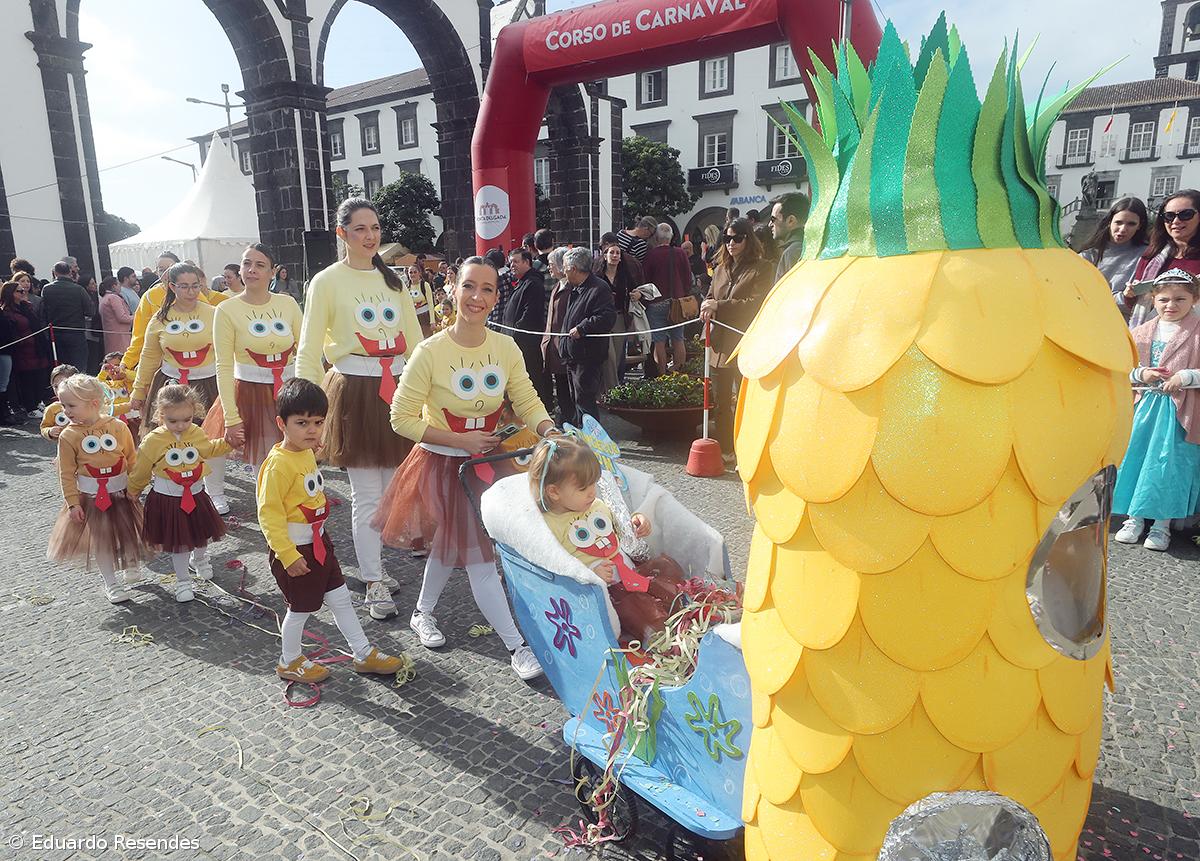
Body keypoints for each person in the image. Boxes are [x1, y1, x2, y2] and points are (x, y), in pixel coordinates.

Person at [372, 256, 554, 680]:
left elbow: (525, 399)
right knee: (480, 557)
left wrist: (548, 430)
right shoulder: (429, 351)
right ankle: (517, 645)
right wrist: (459, 441)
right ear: (452, 289)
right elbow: (401, 418)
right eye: (469, 286)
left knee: (452, 544)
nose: (477, 297)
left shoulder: (504, 347)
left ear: (496, 296)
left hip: (490, 463)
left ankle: (422, 612)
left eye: (488, 289)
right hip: (443, 466)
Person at [296, 197, 424, 621]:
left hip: (399, 389)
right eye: (360, 229)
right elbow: (309, 349)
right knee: (367, 495)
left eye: (374, 228)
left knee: (393, 490)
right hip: (356, 393)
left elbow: (416, 340)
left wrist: (428, 390)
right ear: (342, 233)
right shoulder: (326, 282)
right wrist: (308, 410)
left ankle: (380, 567)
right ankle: (372, 580)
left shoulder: (394, 281)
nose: (370, 236)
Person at [257, 378, 408, 683]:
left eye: (317, 422)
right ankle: (289, 660)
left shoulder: (304, 452)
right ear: (281, 423)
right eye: (301, 423)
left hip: (319, 546)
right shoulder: (277, 465)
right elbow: (268, 514)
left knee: (340, 599)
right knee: (299, 610)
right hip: (296, 550)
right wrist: (287, 555)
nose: (311, 430)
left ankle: (363, 653)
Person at [129, 262, 229, 514]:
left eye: (195, 285)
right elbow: (149, 357)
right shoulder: (160, 318)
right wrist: (138, 392)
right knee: (171, 440)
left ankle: (215, 491)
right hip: (170, 385)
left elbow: (228, 352)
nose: (191, 291)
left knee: (210, 438)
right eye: (184, 286)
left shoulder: (214, 313)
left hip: (208, 383)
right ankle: (175, 489)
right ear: (171, 287)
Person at [1113, 269, 1200, 552]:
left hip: (1179, 412)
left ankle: (1162, 525)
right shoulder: (1140, 333)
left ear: (1194, 299)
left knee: (1169, 464)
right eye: (1163, 299)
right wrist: (1141, 374)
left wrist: (1186, 377)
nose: (1170, 305)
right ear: (1153, 300)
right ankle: (1133, 518)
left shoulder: (1197, 332)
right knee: (1137, 458)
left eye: (1179, 299)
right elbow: (1120, 369)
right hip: (1146, 408)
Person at [46, 374, 150, 604]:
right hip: (91, 498)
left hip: (122, 494)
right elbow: (65, 472)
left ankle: (131, 564)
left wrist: (136, 486)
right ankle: (111, 583)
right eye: (63, 405)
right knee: (102, 541)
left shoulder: (118, 427)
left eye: (71, 405)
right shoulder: (69, 435)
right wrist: (72, 503)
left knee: (128, 534)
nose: (66, 411)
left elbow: (132, 459)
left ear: (93, 403)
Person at [203, 244, 302, 471]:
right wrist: (231, 417)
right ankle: (267, 506)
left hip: (289, 390)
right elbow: (224, 365)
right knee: (265, 465)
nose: (252, 270)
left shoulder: (287, 303)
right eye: (247, 263)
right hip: (251, 394)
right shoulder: (226, 309)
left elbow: (305, 350)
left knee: (296, 460)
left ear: (272, 271)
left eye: (260, 265)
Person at [129, 384, 230, 600]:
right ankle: (183, 581)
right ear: (160, 414)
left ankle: (200, 559)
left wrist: (228, 443)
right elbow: (141, 470)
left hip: (196, 494)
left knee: (202, 534)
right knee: (180, 543)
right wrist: (133, 491)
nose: (181, 425)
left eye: (187, 419)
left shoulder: (196, 432)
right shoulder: (153, 441)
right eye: (172, 421)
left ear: (194, 413)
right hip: (168, 499)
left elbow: (209, 449)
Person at [701, 217, 773, 454]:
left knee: (746, 399)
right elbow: (711, 296)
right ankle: (725, 449)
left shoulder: (762, 268)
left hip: (744, 342)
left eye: (737, 238)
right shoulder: (720, 268)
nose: (731, 243)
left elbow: (755, 304)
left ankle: (749, 447)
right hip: (720, 343)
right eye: (727, 238)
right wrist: (707, 306)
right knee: (721, 402)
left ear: (747, 239)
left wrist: (718, 306)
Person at [121, 251, 225, 370]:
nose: (166, 273)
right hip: (163, 366)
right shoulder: (149, 297)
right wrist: (126, 363)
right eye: (161, 269)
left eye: (170, 268)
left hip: (200, 364)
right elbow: (139, 337)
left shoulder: (195, 295)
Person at [558, 247, 616, 424]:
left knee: (585, 403)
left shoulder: (598, 288)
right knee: (577, 400)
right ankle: (581, 439)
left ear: (574, 268)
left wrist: (582, 328)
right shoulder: (577, 288)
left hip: (587, 355)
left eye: (565, 269)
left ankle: (593, 443)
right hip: (574, 355)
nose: (564, 273)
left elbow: (607, 317)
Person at [1127, 190, 1200, 329]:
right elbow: (1140, 304)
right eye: (1169, 216)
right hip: (1154, 337)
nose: (1176, 221)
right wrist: (1130, 294)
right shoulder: (1151, 256)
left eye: (1186, 215)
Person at [1079, 197, 1151, 319]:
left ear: (1140, 225)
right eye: (1118, 222)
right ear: (1109, 222)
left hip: (1127, 325)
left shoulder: (1147, 255)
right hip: (1088, 320)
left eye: (1131, 224)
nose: (1123, 229)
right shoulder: (1087, 256)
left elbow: (1143, 297)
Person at [502, 248, 551, 407]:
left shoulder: (533, 283)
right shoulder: (523, 282)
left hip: (525, 343)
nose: (512, 266)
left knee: (531, 378)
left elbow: (530, 314)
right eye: (510, 262)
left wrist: (515, 333)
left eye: (516, 261)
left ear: (527, 262)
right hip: (515, 341)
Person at [641, 222, 690, 376]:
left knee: (659, 342)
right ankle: (679, 374)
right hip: (676, 302)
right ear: (671, 237)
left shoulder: (651, 255)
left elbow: (646, 280)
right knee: (678, 339)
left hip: (656, 302)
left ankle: (662, 375)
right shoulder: (680, 253)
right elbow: (687, 278)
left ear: (656, 238)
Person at [595, 238, 643, 391]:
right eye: (611, 253)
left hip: (619, 318)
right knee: (608, 356)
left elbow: (636, 289)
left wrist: (637, 294)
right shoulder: (597, 276)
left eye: (617, 253)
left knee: (617, 357)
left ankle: (610, 390)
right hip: (602, 319)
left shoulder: (624, 275)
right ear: (605, 255)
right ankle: (610, 389)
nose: (615, 255)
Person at [1, 279, 52, 418]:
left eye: (23, 290)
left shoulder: (26, 307)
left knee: (39, 376)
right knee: (27, 379)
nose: (24, 292)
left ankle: (37, 402)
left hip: (36, 347)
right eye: (19, 291)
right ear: (10, 294)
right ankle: (30, 407)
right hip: (22, 349)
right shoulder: (7, 312)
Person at [40, 261, 93, 372]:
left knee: (61, 369)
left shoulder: (46, 289)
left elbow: (42, 312)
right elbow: (90, 311)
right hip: (76, 333)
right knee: (79, 368)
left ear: (54, 273)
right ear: (70, 272)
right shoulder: (78, 289)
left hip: (56, 334)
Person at [542, 247, 574, 424]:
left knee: (567, 389)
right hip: (554, 346)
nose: (549, 268)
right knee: (561, 388)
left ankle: (570, 421)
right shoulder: (557, 286)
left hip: (565, 347)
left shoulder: (570, 288)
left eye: (551, 264)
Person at [769, 191, 811, 280]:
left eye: (773, 219)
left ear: (791, 221)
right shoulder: (810, 245)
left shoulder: (793, 252)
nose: (770, 224)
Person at [38, 364, 80, 440]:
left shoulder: (85, 404)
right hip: (64, 447)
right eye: (56, 386)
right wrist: (49, 431)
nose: (59, 390)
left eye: (64, 385)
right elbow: (44, 427)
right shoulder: (52, 409)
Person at [98, 277, 133, 355]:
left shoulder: (104, 298)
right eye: (119, 285)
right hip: (121, 337)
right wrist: (136, 317)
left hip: (110, 336)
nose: (120, 287)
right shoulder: (113, 298)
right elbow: (122, 317)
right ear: (114, 286)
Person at [405, 263, 436, 338]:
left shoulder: (425, 285)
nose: (413, 274)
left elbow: (431, 304)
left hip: (425, 317)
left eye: (415, 272)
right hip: (413, 318)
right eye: (410, 272)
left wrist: (432, 321)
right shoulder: (407, 286)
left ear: (419, 273)